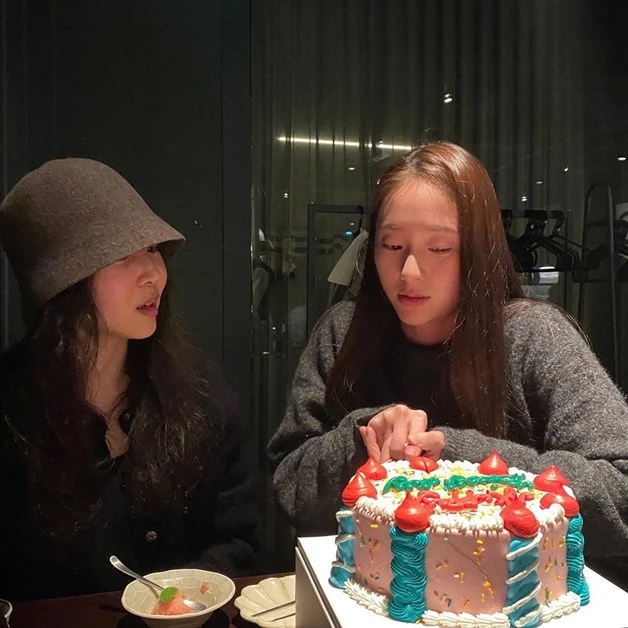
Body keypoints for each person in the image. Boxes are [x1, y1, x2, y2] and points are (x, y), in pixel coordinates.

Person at [267, 141, 628, 589]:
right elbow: (288, 487)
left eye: (439, 248)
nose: (409, 271)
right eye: (392, 244)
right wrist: (365, 437)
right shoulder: (345, 332)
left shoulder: (533, 336)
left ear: (478, 251)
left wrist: (466, 460)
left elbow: (620, 487)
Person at [0, 158, 259, 601]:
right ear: (62, 282)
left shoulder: (202, 395)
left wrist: (185, 601)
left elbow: (239, 540)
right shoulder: (11, 415)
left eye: (153, 249)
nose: (153, 273)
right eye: (123, 256)